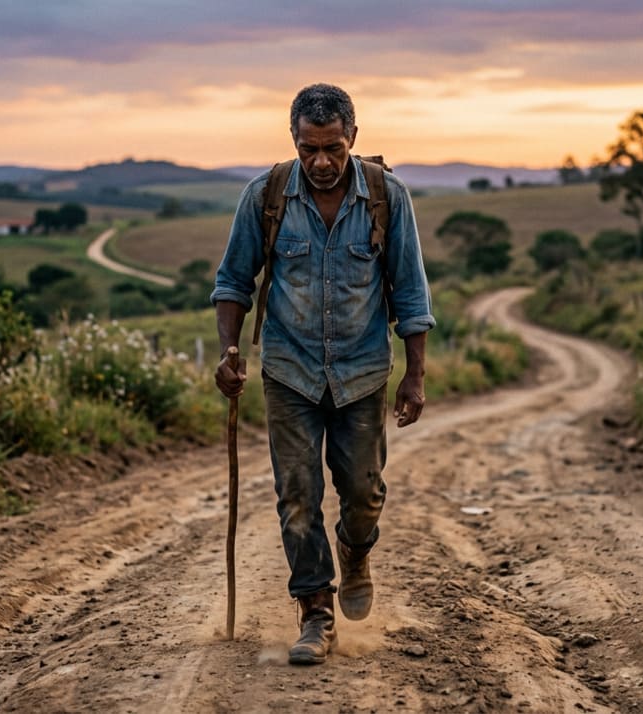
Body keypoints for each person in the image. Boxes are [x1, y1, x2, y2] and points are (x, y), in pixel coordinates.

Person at [211, 83, 435, 665]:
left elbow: (411, 290)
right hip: (289, 371)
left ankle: (356, 553)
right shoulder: (265, 196)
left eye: (333, 148)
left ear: (353, 138)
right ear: (294, 140)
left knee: (363, 492)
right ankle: (315, 612)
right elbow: (234, 281)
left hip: (362, 372)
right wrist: (229, 351)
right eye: (310, 149)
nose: (321, 162)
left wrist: (415, 376)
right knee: (297, 494)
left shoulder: (388, 197)